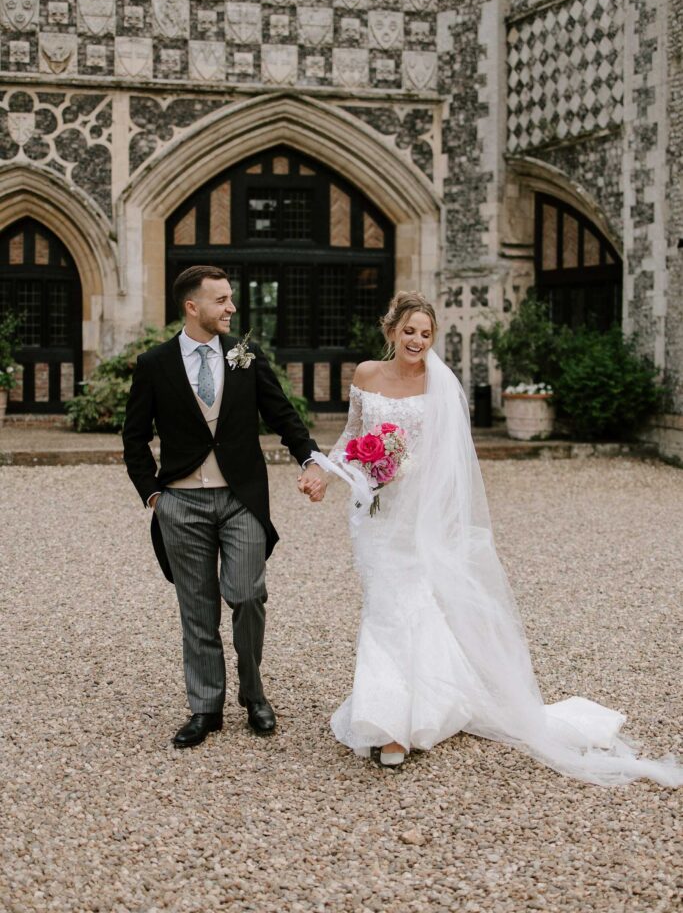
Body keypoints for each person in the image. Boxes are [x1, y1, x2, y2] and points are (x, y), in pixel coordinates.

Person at [313, 291, 682, 785]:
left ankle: (393, 723)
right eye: (409, 331)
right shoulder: (365, 375)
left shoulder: (440, 385)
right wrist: (324, 472)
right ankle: (414, 703)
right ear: (391, 331)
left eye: (425, 333)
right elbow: (352, 435)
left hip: (418, 514)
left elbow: (453, 461)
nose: (417, 340)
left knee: (404, 607)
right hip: (374, 513)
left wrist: (410, 473)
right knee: (384, 604)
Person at [122, 265, 326, 749]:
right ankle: (205, 707)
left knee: (247, 592)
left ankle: (253, 693)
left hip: (241, 499)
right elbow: (134, 437)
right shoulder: (155, 364)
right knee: (196, 608)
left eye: (230, 298)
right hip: (182, 503)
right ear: (193, 307)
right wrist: (154, 494)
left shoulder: (246, 357)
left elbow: (282, 413)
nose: (231, 308)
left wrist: (311, 458)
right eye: (222, 300)